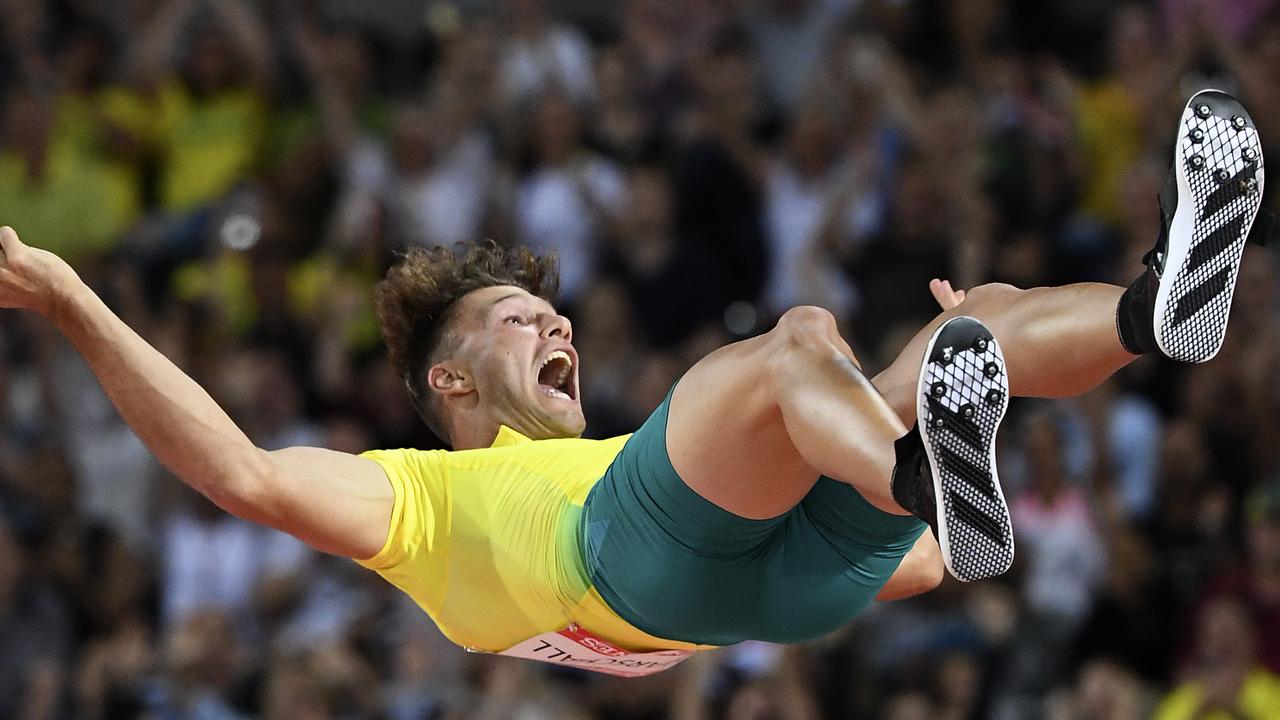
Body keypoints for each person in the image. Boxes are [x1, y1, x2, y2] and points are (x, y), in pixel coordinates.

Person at [0, 90, 1266, 673]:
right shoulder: (421, 500)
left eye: (552, 309)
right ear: (447, 377)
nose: (555, 321)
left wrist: (934, 477)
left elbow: (934, 567)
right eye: (514, 317)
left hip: (775, 584)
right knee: (796, 338)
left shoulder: (616, 452)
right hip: (630, 564)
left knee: (964, 326)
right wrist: (67, 296)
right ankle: (915, 456)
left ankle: (1153, 314)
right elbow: (237, 471)